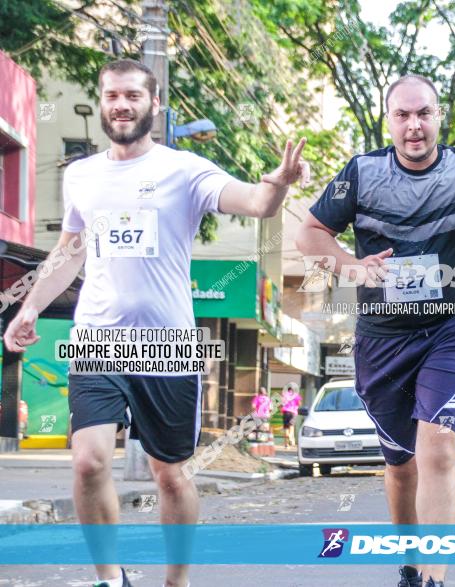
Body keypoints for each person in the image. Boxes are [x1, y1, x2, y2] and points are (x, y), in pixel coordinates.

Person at [1, 59, 310, 587]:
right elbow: (70, 251)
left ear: (154, 105)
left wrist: (278, 183)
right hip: (97, 339)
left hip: (167, 344)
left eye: (133, 96)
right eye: (112, 96)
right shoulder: (81, 175)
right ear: (102, 103)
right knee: (88, 463)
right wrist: (27, 305)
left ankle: (177, 579)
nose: (121, 105)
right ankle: (109, 576)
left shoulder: (184, 169)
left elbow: (257, 203)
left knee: (170, 475)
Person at [294, 73, 455, 587]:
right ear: (388, 121)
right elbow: (309, 231)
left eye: (424, 114)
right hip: (383, 337)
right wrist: (352, 267)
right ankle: (412, 567)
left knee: (437, 442)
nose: (414, 126)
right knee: (399, 462)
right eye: (403, 115)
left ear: (440, 116)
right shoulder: (361, 173)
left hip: (453, 330)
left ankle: (434, 577)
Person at [281, 384, 302, 449]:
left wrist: (281, 411)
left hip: (285, 412)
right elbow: (299, 403)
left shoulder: (284, 395)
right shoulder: (296, 395)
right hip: (293, 412)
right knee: (291, 426)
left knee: (286, 428)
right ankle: (290, 437)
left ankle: (286, 445)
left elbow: (281, 404)